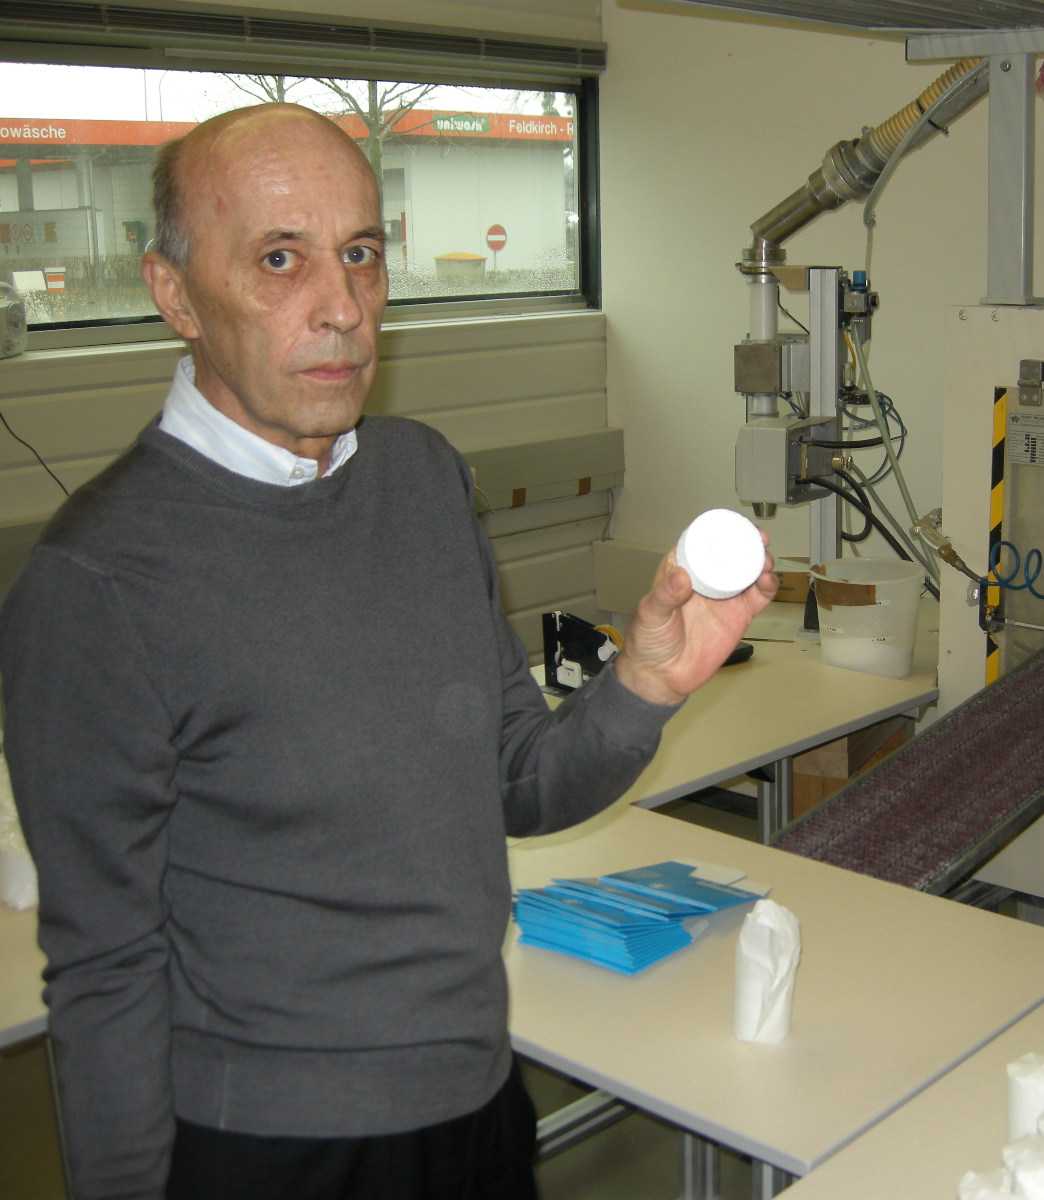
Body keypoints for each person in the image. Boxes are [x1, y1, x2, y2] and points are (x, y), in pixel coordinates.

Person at [0, 103, 776, 1200]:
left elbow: (517, 780)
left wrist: (646, 682)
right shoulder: (99, 582)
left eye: (360, 253)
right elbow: (103, 971)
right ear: (173, 293)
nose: (342, 308)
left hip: (478, 1104)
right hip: (268, 1151)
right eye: (280, 259)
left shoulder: (421, 478)